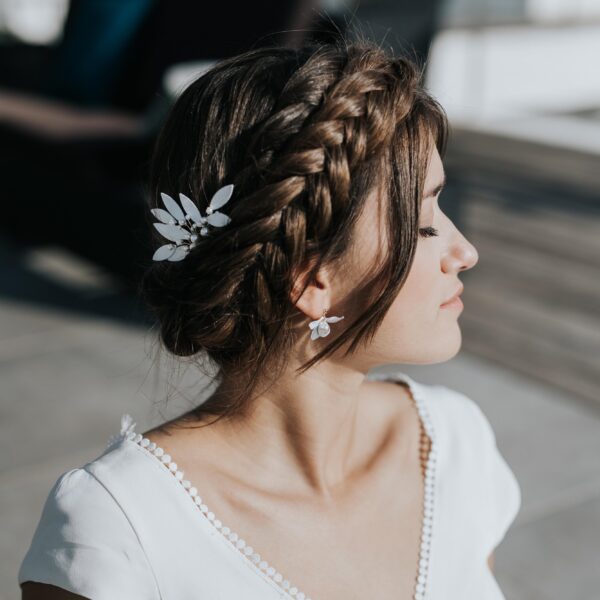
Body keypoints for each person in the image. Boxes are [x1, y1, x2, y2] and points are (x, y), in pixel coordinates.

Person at [18, 39, 521, 599]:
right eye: (425, 224)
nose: (466, 251)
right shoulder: (118, 532)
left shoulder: (453, 444)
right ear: (310, 279)